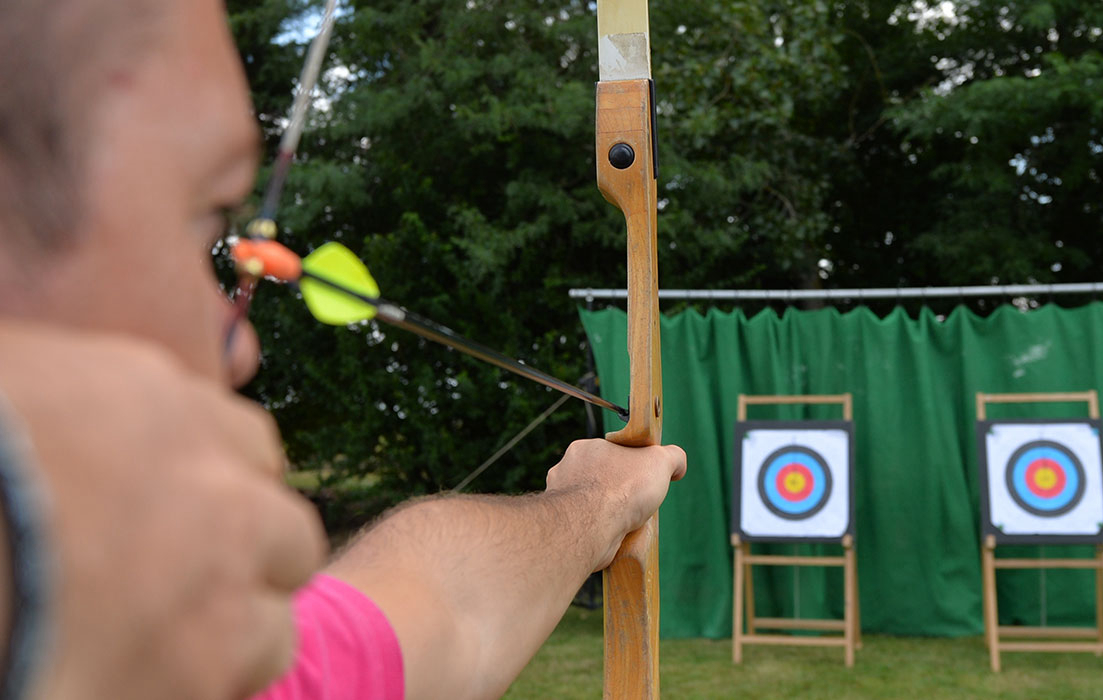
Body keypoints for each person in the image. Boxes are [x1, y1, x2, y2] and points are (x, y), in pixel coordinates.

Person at [0, 1, 687, 699]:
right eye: (204, 217)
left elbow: (451, 608)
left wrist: (597, 502)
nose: (237, 353)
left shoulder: (200, 663)